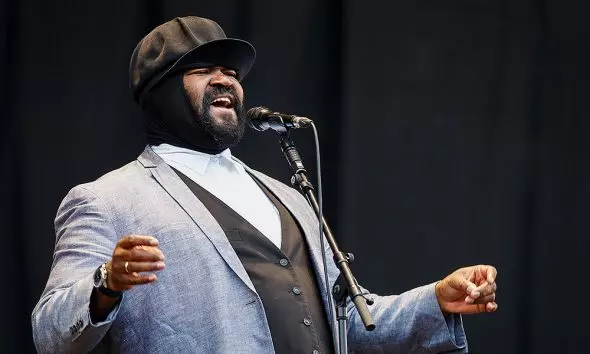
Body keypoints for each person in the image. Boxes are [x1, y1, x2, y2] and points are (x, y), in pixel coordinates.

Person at [31, 16, 498, 353]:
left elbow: (352, 322)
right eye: (202, 70)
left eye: (231, 72)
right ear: (159, 91)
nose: (225, 81)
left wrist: (437, 298)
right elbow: (50, 333)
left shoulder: (289, 196)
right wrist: (106, 282)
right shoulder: (107, 200)